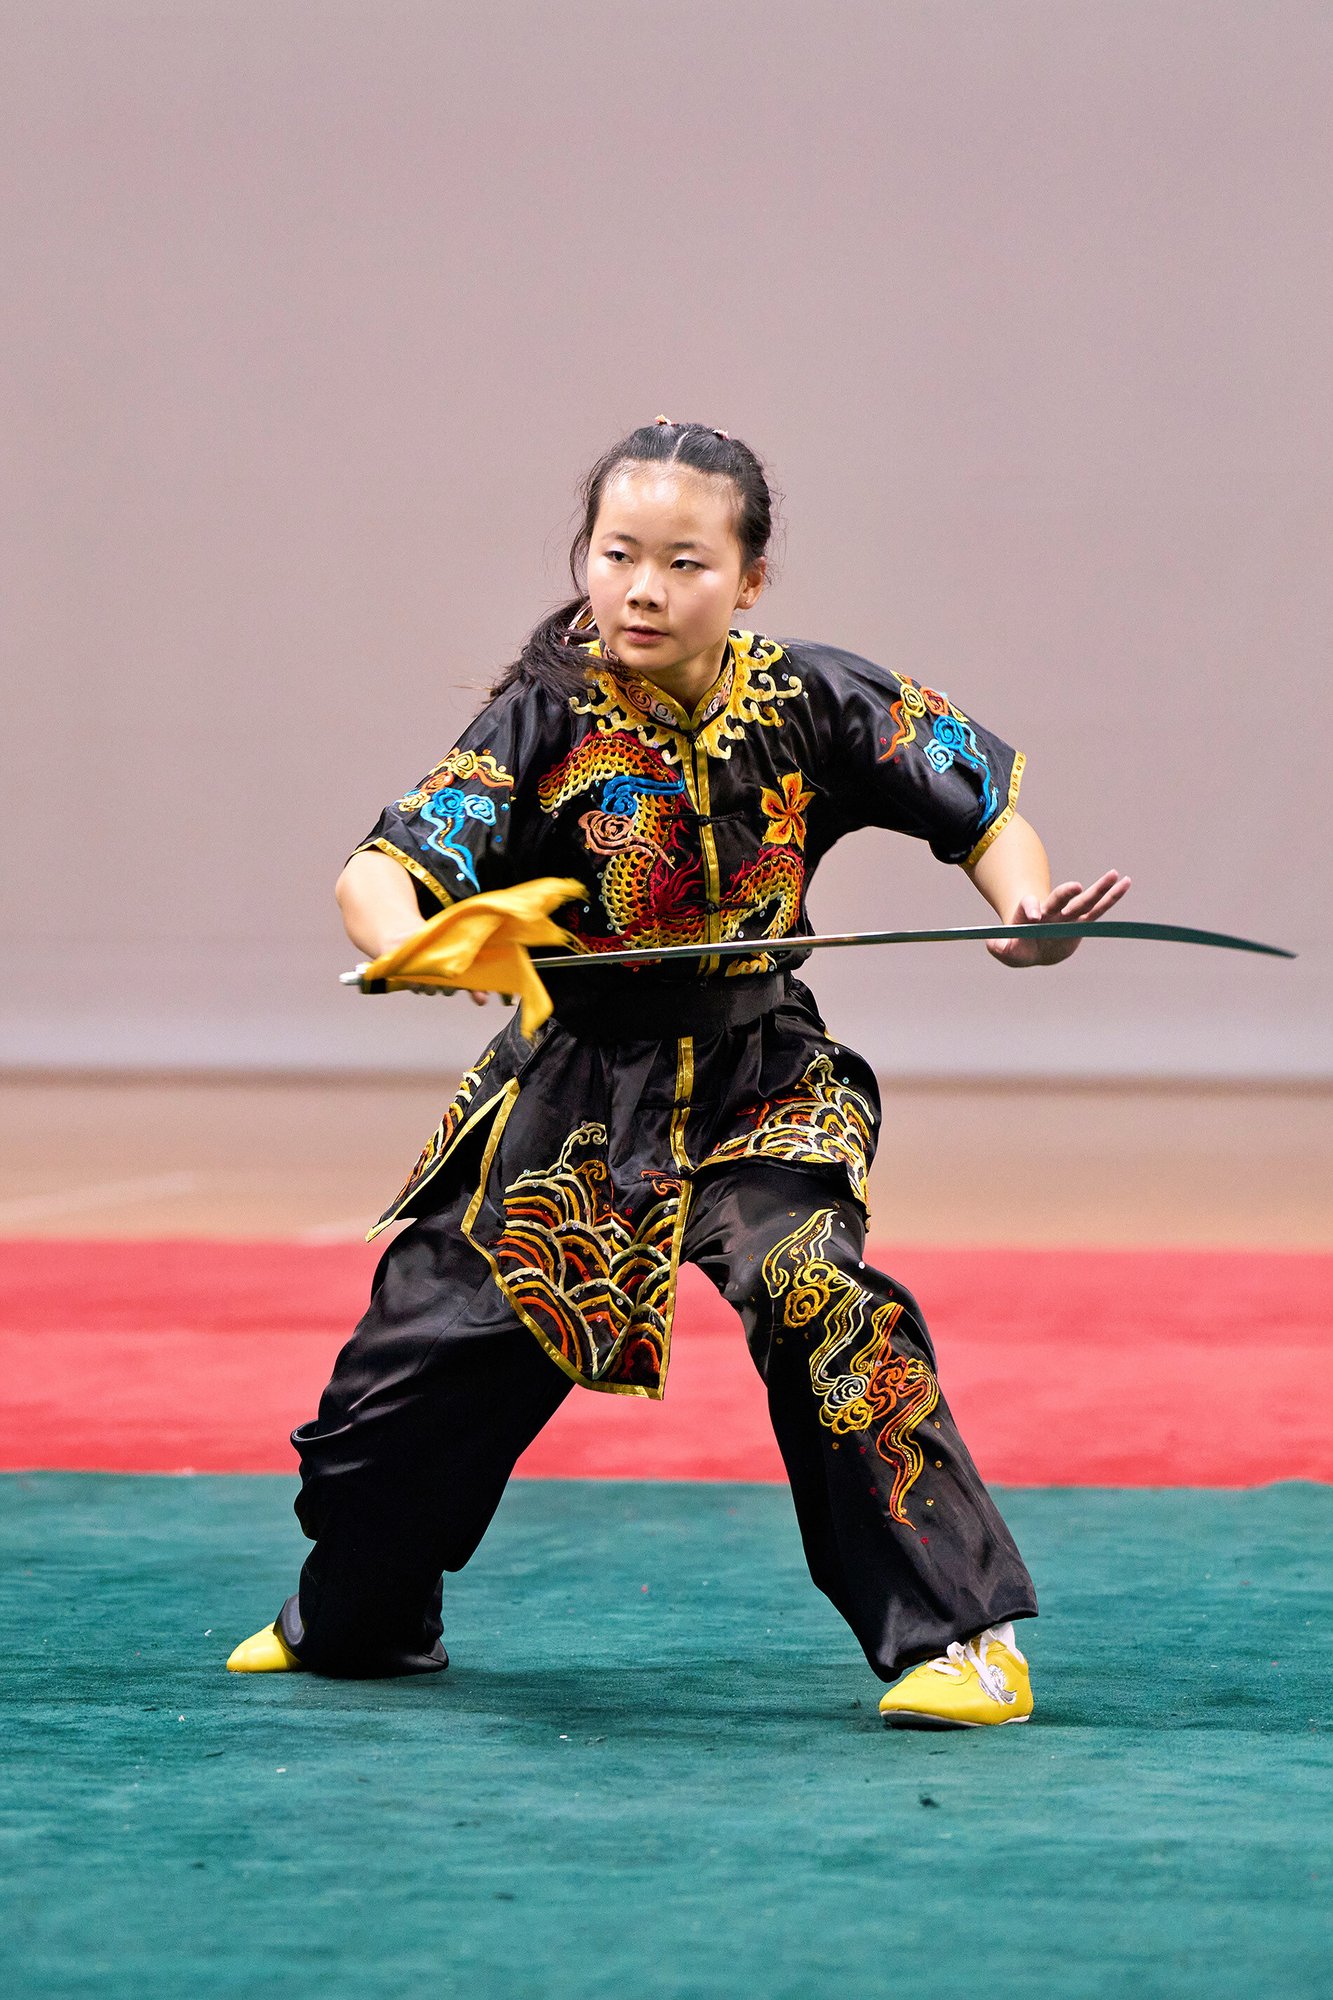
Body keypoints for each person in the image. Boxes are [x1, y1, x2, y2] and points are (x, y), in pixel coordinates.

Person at [227, 418, 1129, 1727]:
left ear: (748, 579)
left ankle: (959, 1639)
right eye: (618, 555)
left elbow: (980, 812)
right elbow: (380, 871)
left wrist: (1024, 915)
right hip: (574, 1093)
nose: (644, 588)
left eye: (684, 563)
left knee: (818, 1295)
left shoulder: (816, 696)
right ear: (585, 559)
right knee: (415, 1374)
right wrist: (416, 943)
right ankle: (365, 1613)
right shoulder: (537, 717)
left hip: (762, 1072)